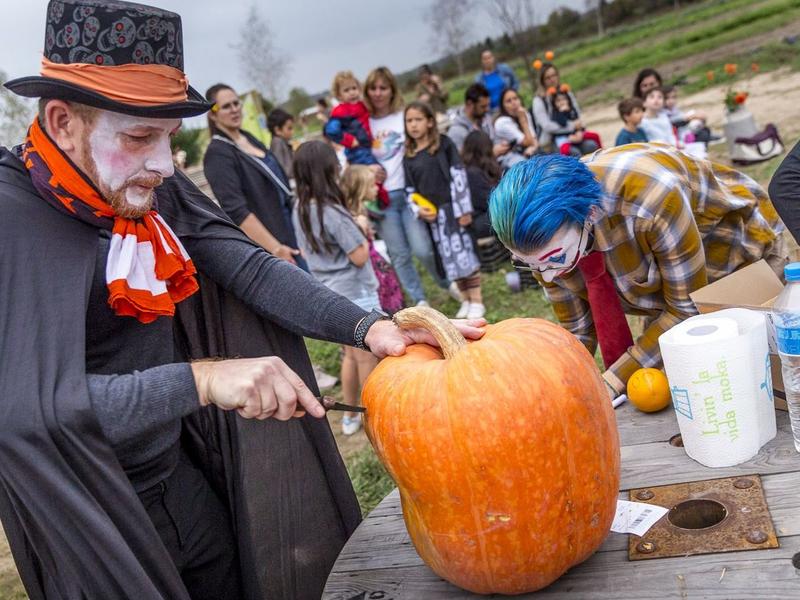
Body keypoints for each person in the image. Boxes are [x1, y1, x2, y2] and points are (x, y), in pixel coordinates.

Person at [0, 2, 487, 598]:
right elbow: (22, 411)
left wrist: (369, 327)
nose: (162, 165)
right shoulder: (10, 224)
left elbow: (250, 270)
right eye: (138, 136)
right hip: (89, 513)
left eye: (170, 139)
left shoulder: (146, 187)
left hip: (178, 476)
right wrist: (200, 380)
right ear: (62, 120)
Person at [488, 145, 787, 402]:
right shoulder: (544, 245)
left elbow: (685, 309)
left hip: (738, 257)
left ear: (590, 214)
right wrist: (554, 384)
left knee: (743, 382)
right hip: (665, 287)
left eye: (554, 259)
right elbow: (578, 330)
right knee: (662, 387)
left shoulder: (653, 198)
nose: (548, 277)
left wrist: (611, 380)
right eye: (528, 264)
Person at [291, 143, 380, 437]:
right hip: (356, 291)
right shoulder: (331, 211)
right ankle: (374, 417)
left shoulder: (300, 208)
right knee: (366, 357)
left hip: (330, 293)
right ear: (326, 170)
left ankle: (350, 417)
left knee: (350, 356)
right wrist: (363, 232)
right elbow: (359, 255)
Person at [364, 66, 454, 305]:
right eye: (373, 88)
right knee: (400, 255)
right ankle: (420, 300)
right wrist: (368, 170)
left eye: (384, 87)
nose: (378, 93)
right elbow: (356, 155)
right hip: (382, 199)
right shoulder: (364, 123)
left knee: (423, 249)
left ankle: (446, 282)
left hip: (409, 194)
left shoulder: (403, 116)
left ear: (392, 90)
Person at [204, 84, 305, 268]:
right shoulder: (217, 155)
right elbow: (237, 211)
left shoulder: (248, 137)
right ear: (212, 114)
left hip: (293, 232)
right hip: (277, 248)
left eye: (236, 103)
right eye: (226, 106)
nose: (234, 109)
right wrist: (276, 249)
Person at [404, 101, 485, 319]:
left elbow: (458, 175)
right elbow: (410, 190)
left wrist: (463, 209)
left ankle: (477, 299)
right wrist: (420, 211)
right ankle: (465, 299)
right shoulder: (409, 156)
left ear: (430, 122)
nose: (413, 125)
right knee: (449, 260)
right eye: (409, 121)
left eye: (418, 119)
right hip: (434, 218)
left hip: (453, 211)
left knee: (464, 255)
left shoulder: (444, 145)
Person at [341, 164, 405, 317]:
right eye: (371, 185)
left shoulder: (361, 210)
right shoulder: (353, 217)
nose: (376, 188)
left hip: (378, 266)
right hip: (371, 272)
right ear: (360, 189)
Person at [323, 71, 389, 206]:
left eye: (354, 88)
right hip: (357, 151)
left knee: (377, 172)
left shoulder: (361, 105)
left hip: (367, 146)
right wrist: (348, 140)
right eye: (346, 90)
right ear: (339, 95)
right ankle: (377, 201)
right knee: (374, 172)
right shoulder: (341, 111)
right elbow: (330, 130)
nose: (352, 93)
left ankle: (376, 199)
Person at [532, 63, 596, 154]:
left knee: (591, 146)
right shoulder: (539, 100)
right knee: (573, 153)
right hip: (552, 140)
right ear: (542, 81)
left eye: (554, 75)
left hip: (574, 134)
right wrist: (571, 126)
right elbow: (547, 126)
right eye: (548, 77)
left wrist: (579, 131)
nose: (552, 79)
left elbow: (577, 113)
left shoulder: (565, 92)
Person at [461, 130, 502, 240]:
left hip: (487, 214)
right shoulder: (471, 173)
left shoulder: (481, 168)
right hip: (479, 220)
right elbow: (488, 201)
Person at [447, 83, 507, 156]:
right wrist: (491, 154)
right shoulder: (456, 132)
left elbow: (493, 139)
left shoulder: (484, 118)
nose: (487, 109)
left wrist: (501, 144)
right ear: (470, 104)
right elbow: (462, 161)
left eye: (488, 105)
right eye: (483, 106)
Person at [494, 88, 539, 169]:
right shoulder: (502, 122)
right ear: (503, 106)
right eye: (508, 101)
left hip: (526, 152)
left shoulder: (523, 113)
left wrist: (533, 147)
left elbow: (534, 139)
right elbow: (528, 142)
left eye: (515, 98)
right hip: (508, 158)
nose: (514, 103)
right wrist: (523, 120)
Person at [549, 89, 601, 157]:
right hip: (564, 137)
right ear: (554, 103)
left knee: (595, 136)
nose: (561, 102)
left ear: (568, 100)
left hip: (577, 134)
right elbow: (563, 123)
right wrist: (563, 112)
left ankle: (602, 152)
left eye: (564, 99)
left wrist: (579, 132)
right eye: (558, 101)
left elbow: (578, 124)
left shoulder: (572, 110)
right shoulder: (555, 113)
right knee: (565, 150)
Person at [267, 107, 295, 181]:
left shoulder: (281, 142)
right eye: (289, 128)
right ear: (278, 130)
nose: (292, 132)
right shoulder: (278, 143)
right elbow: (282, 170)